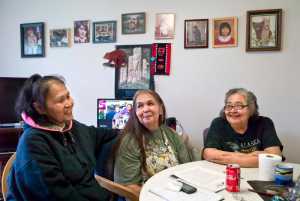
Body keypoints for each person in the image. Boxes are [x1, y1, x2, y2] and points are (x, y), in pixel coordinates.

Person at [6, 74, 118, 201]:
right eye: (61, 100)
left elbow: (104, 134)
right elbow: (59, 195)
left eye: (68, 96)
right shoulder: (33, 143)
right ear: (40, 108)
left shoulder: (71, 127)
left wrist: (135, 128)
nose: (69, 103)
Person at [114, 89, 192, 195]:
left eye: (150, 103)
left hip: (178, 193)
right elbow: (128, 186)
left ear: (160, 109)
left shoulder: (171, 134)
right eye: (140, 106)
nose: (145, 109)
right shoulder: (129, 142)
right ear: (136, 113)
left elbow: (186, 168)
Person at [203, 88, 283, 168]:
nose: (233, 110)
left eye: (239, 106)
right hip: (227, 173)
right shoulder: (218, 123)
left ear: (251, 108)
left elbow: (274, 157)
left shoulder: (264, 123)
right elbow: (208, 153)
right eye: (229, 106)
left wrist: (225, 157)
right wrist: (253, 156)